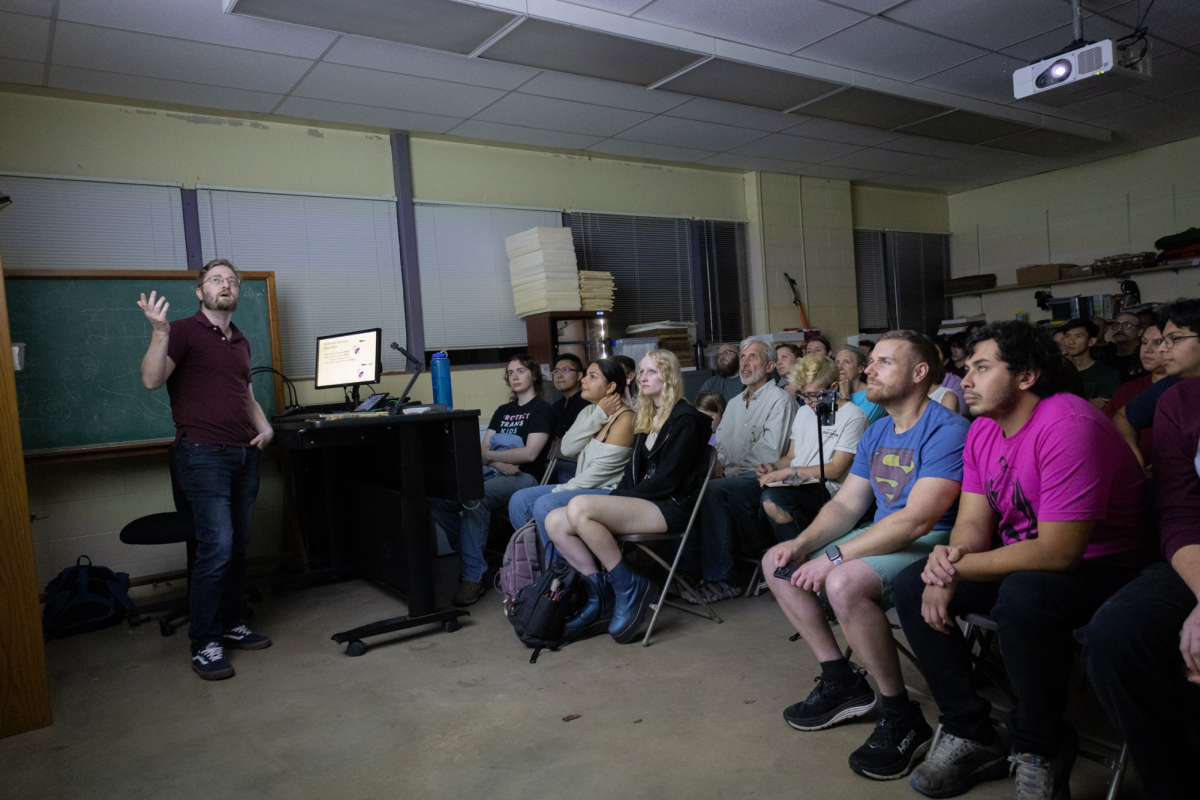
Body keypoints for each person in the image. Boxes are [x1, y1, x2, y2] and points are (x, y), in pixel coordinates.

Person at [891, 321, 1154, 800]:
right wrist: (949, 559)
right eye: (965, 368)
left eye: (982, 367)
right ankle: (971, 730)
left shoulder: (1067, 424)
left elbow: (1059, 552)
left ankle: (1041, 744)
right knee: (912, 584)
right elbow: (974, 524)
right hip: (1028, 562)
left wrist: (955, 568)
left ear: (1027, 375)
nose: (965, 379)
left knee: (1025, 594)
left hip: (1111, 570)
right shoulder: (983, 431)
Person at [762, 330, 969, 781]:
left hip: (934, 538)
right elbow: (846, 505)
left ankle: (900, 714)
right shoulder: (878, 430)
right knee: (776, 562)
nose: (868, 369)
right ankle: (842, 680)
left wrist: (834, 558)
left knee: (843, 580)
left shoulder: (947, 429)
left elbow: (916, 521)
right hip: (886, 532)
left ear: (919, 373)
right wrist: (802, 546)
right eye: (870, 361)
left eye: (883, 362)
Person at [137, 258, 275, 681]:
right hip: (203, 455)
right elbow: (150, 379)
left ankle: (231, 623)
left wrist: (264, 425)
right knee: (216, 547)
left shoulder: (241, 340)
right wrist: (160, 333)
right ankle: (204, 642)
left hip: (243, 453)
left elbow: (245, 392)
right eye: (216, 279)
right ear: (200, 292)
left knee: (236, 547)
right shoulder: (179, 331)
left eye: (232, 281)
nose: (225, 285)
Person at [1077, 372, 1200, 800]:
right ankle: (1171, 786)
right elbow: (1181, 514)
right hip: (1194, 556)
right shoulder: (1182, 399)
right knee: (1117, 635)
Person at [544, 350, 711, 644]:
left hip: (669, 506)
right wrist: (621, 496)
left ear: (669, 377)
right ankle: (601, 596)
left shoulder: (687, 419)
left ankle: (628, 585)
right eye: (642, 372)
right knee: (555, 520)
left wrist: (621, 499)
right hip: (644, 501)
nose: (643, 378)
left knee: (580, 506)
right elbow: (631, 474)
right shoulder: (647, 415)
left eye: (652, 372)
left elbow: (668, 480)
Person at [677, 336, 796, 602]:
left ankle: (721, 579)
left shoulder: (779, 400)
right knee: (686, 487)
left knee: (713, 491)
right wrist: (717, 463)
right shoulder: (732, 404)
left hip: (763, 478)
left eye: (753, 357)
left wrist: (725, 469)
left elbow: (770, 453)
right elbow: (721, 444)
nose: (744, 362)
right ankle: (685, 572)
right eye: (742, 356)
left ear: (770, 366)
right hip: (731, 477)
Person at [431, 355, 551, 607]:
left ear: (534, 375)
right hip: (495, 473)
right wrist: (495, 462)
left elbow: (529, 453)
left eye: (520, 371)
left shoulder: (541, 409)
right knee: (439, 499)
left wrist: (491, 457)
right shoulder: (502, 411)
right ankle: (471, 551)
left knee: (476, 496)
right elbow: (482, 452)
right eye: (510, 372)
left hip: (526, 478)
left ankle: (472, 577)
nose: (515, 376)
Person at [508, 359, 633, 546]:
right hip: (585, 488)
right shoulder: (591, 410)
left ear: (611, 387)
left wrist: (559, 490)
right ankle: (545, 560)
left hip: (608, 492)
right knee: (519, 500)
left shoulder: (626, 418)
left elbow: (597, 476)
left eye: (592, 376)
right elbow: (567, 448)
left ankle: (563, 567)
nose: (583, 380)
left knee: (545, 503)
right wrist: (598, 415)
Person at [758, 356, 869, 543]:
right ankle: (765, 554)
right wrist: (773, 468)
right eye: (802, 394)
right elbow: (792, 456)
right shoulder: (803, 412)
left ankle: (799, 553)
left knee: (773, 499)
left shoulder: (853, 416)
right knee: (743, 491)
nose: (807, 401)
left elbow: (835, 469)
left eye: (812, 395)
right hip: (797, 480)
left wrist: (789, 471)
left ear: (833, 388)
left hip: (828, 487)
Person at [1121, 299, 1200, 447]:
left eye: (1175, 338)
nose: (1162, 348)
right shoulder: (1172, 385)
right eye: (1164, 340)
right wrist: (1134, 455)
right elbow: (1123, 418)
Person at [1104, 323, 1166, 469]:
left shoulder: (1186, 386)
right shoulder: (1128, 390)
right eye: (1144, 342)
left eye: (1157, 343)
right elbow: (1110, 431)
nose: (1147, 349)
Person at [1059, 318, 1119, 408]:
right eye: (1067, 336)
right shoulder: (1058, 371)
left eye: (1078, 336)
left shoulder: (1108, 374)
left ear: (1091, 341)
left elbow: (1103, 408)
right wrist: (1088, 403)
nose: (1071, 342)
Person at [549, 353, 590, 483]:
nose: (559, 375)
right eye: (556, 371)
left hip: (582, 463)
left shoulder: (588, 403)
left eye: (566, 370)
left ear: (579, 375)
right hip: (559, 460)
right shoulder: (556, 406)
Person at [836, 346, 886, 424]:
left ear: (860, 368)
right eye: (837, 362)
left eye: (846, 362)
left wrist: (845, 397)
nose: (840, 367)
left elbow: (854, 426)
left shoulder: (873, 396)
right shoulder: (834, 394)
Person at [1096, 311, 1145, 383]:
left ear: (1139, 331)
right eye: (1117, 325)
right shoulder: (1106, 360)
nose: (1119, 329)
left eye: (1127, 325)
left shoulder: (1145, 358)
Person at [933, 338, 967, 413]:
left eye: (935, 353)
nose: (930, 357)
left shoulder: (956, 383)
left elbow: (960, 416)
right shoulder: (915, 380)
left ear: (945, 360)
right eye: (926, 353)